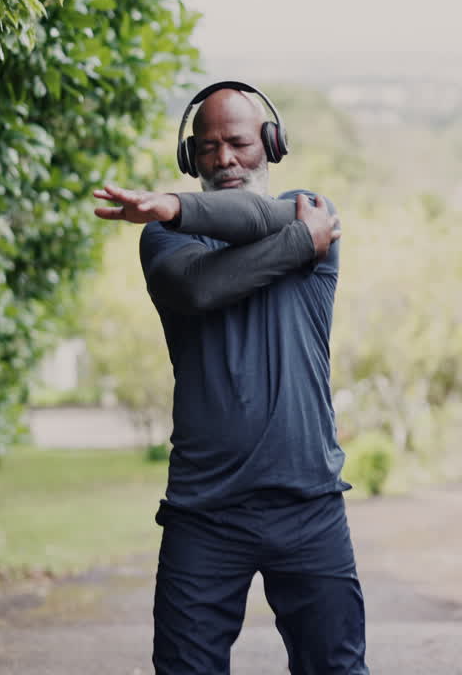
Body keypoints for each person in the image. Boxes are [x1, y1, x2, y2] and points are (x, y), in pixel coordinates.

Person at [91, 81, 369, 675]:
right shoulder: (165, 237)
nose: (225, 160)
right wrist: (295, 244)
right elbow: (198, 287)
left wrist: (175, 201)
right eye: (209, 147)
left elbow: (258, 218)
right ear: (191, 158)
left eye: (239, 142)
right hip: (205, 513)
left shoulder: (313, 211)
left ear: (270, 144)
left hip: (309, 503)